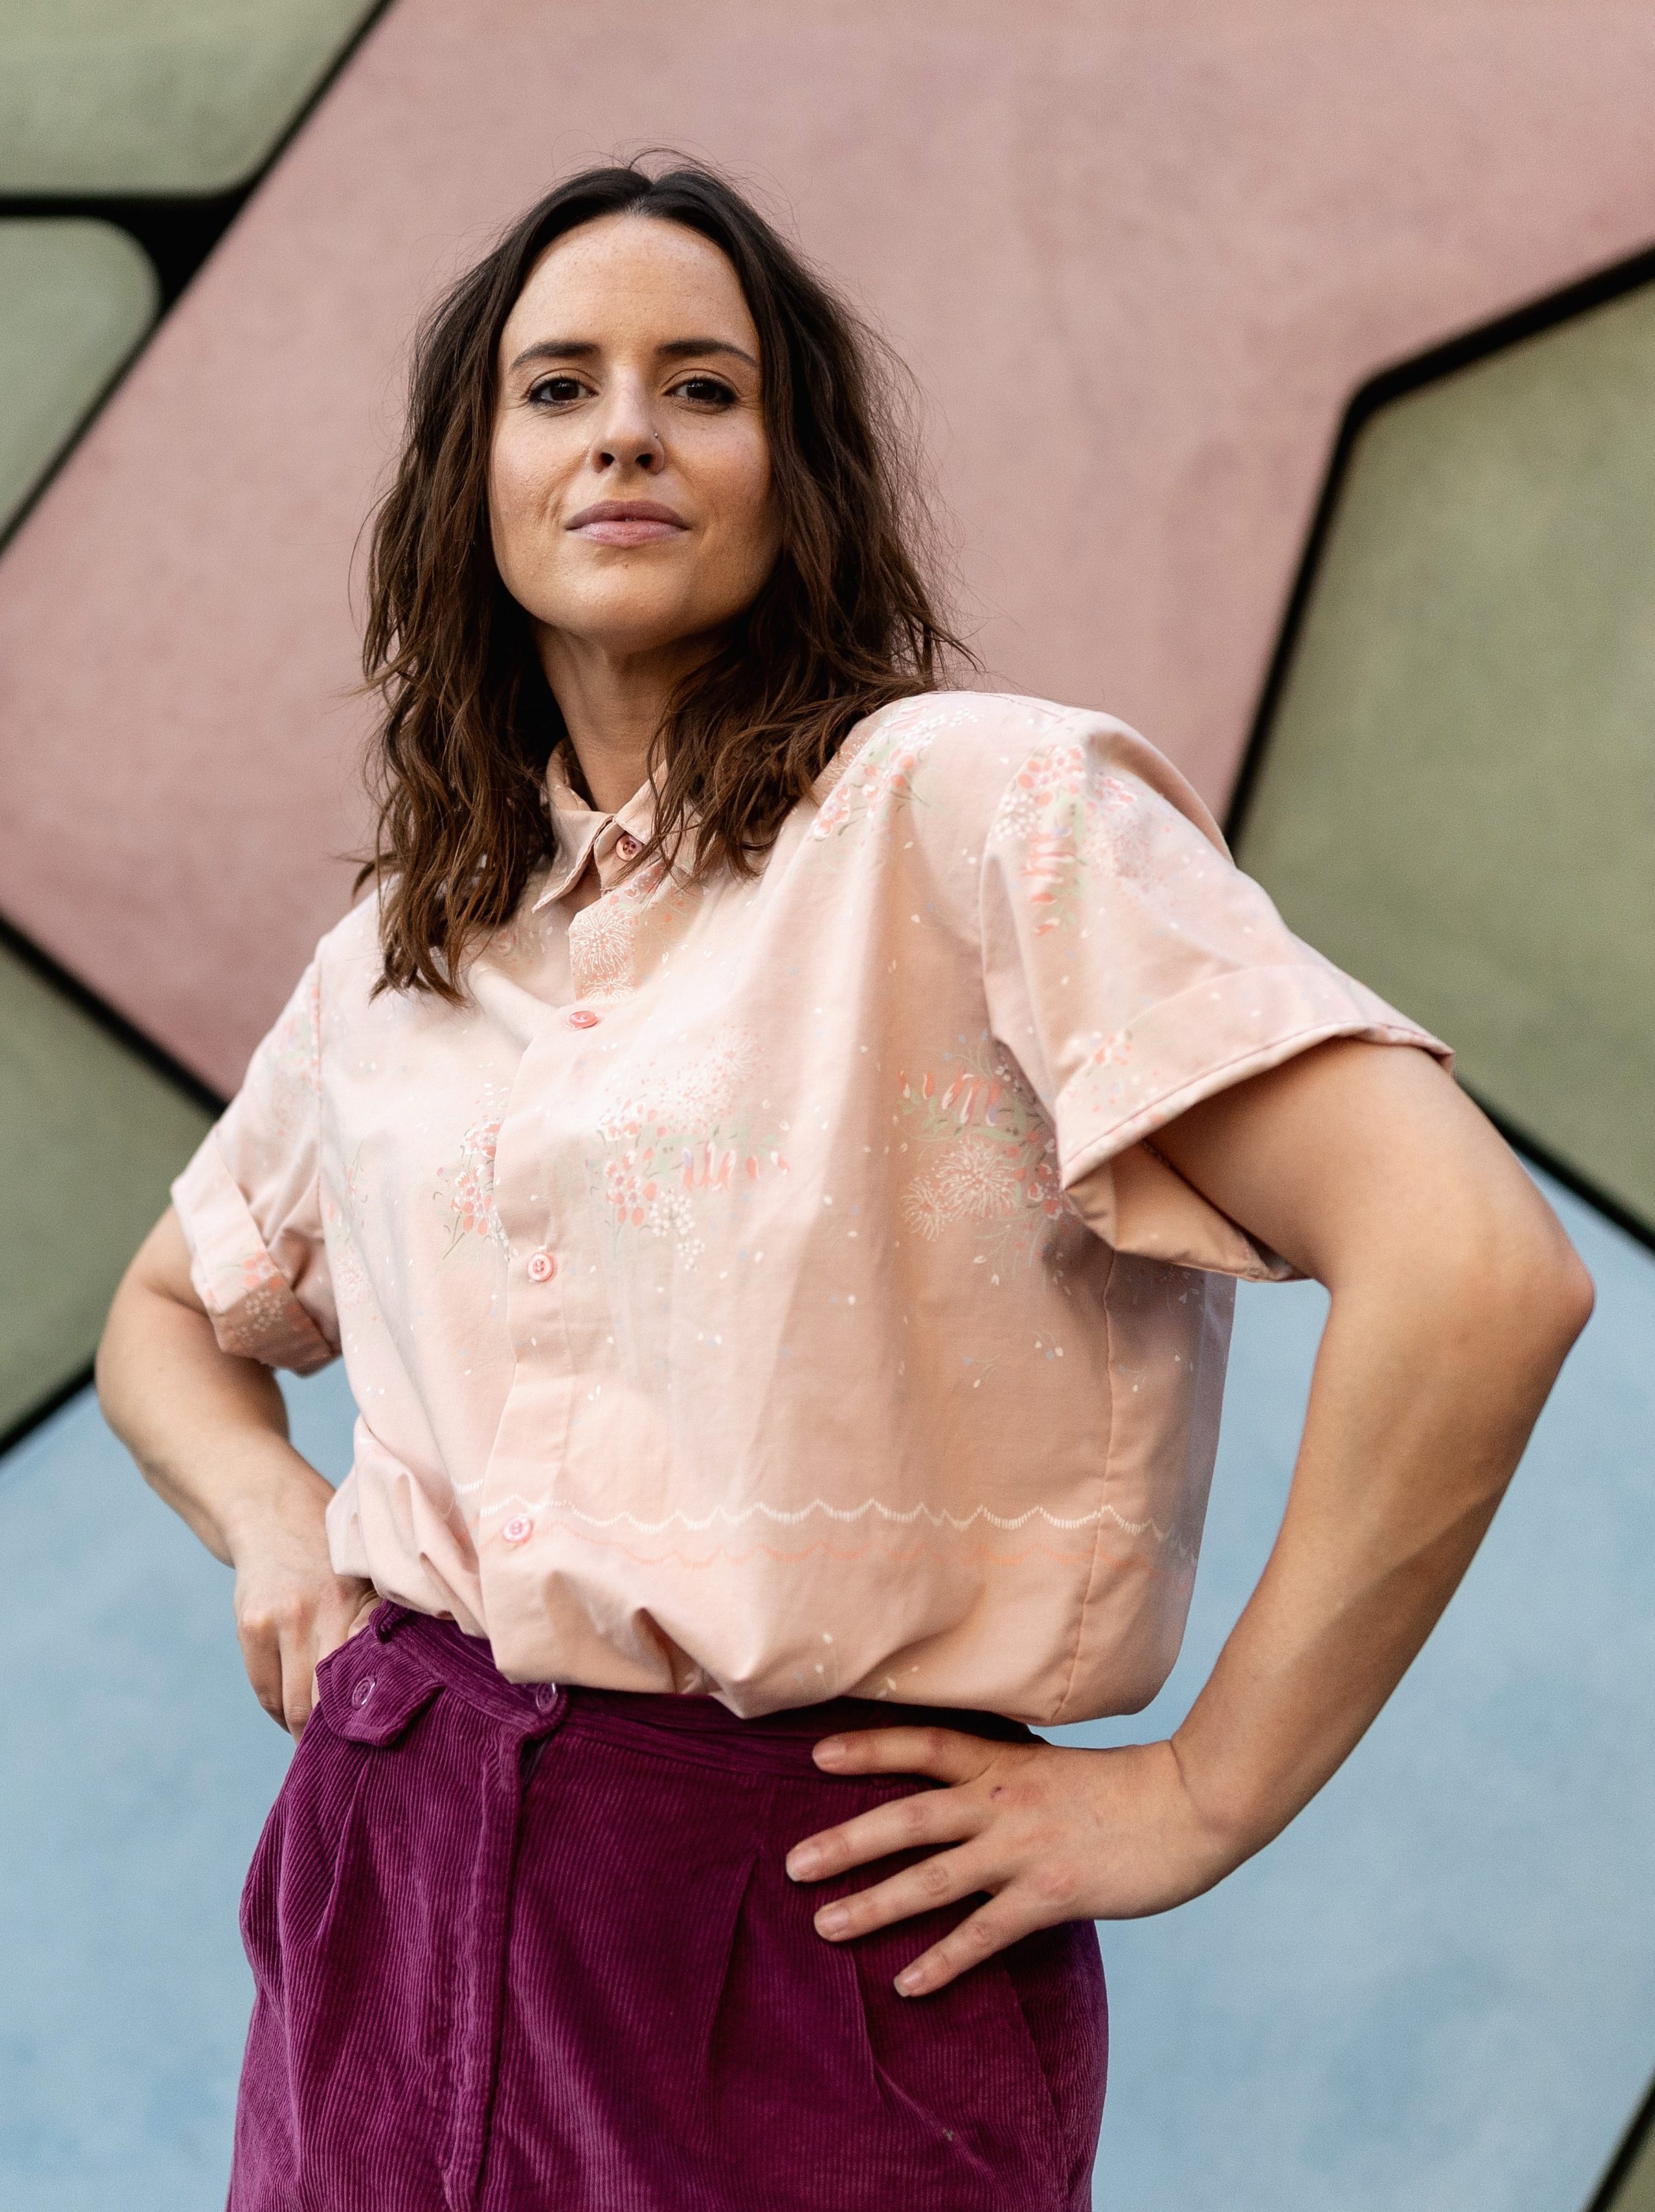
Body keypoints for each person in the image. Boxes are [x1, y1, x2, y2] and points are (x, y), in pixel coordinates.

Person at [95, 157, 1593, 2212]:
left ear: (800, 479)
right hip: (388, 1873)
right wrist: (278, 1529)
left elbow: (1472, 1266)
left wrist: (1197, 1792)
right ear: (472, 483)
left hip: (803, 1932)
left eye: (701, 386)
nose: (626, 423)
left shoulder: (983, 816)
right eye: (558, 386)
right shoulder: (408, 946)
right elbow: (170, 1312)